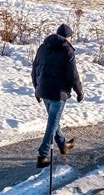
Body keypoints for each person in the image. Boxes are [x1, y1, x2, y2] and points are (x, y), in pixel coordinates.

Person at [31, 23, 84, 168]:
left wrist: (36, 88)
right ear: (68, 37)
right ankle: (43, 155)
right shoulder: (67, 51)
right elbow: (73, 75)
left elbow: (35, 69)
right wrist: (79, 91)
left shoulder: (43, 48)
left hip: (43, 90)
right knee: (52, 123)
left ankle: (63, 145)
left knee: (54, 120)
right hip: (57, 93)